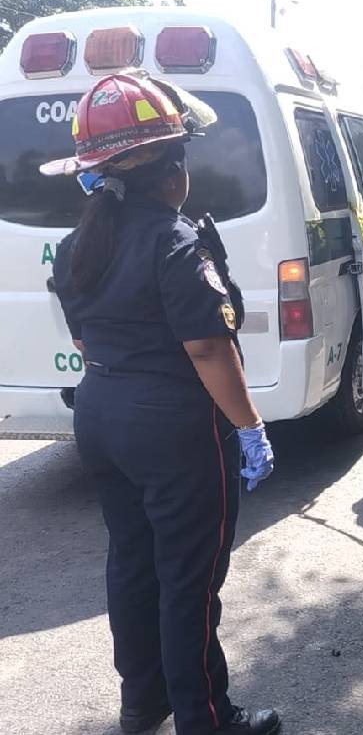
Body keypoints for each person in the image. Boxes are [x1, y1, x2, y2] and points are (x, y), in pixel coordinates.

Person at [42, 73, 279, 734]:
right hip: (175, 431)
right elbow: (208, 348)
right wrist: (250, 427)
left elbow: (87, 340)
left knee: (133, 562)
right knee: (189, 580)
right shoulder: (176, 240)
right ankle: (207, 718)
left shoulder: (77, 246)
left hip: (101, 416)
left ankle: (142, 700)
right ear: (171, 170)